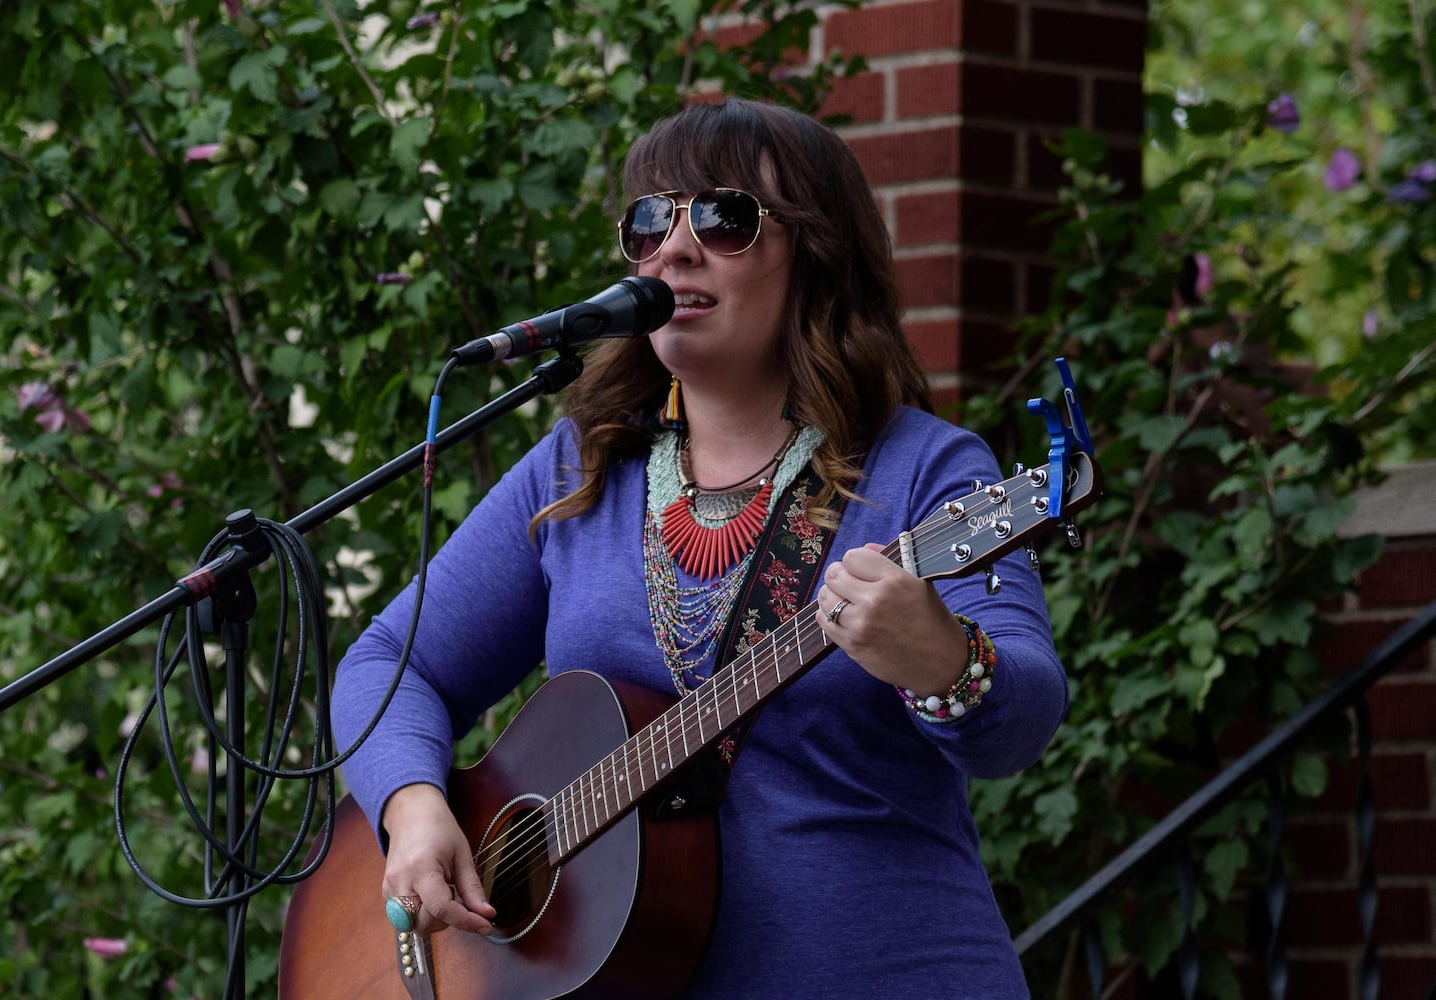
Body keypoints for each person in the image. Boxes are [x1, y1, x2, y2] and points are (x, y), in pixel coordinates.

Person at [331, 97, 1067, 998]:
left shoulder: (923, 469)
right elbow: (387, 664)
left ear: (818, 256)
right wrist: (412, 809)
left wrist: (946, 662)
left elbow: (1022, 719)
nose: (674, 247)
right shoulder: (583, 467)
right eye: (650, 219)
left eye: (725, 217)